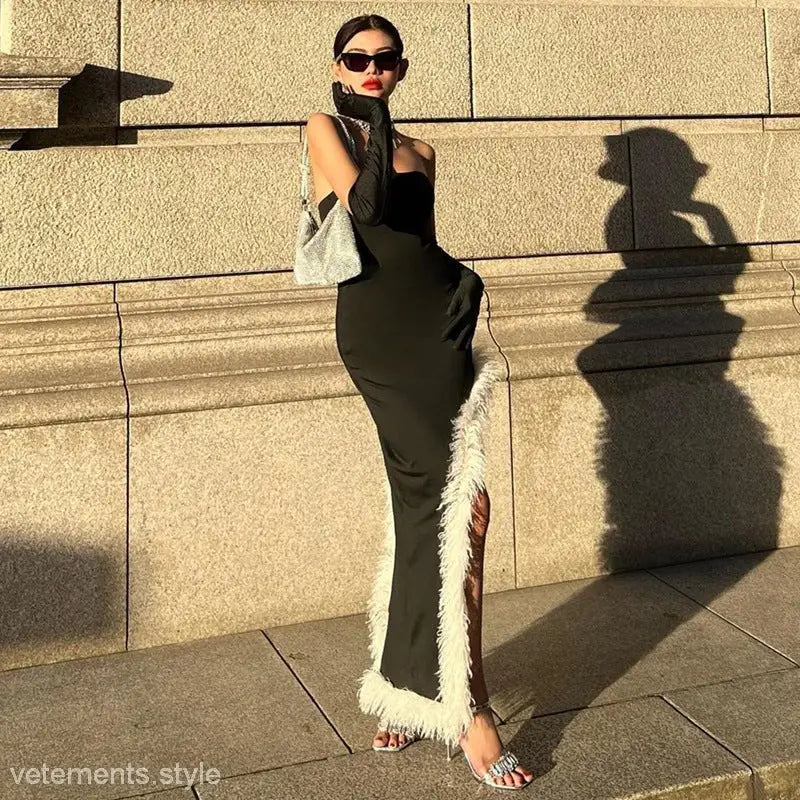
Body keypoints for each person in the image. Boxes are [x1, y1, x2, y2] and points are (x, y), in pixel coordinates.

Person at [304, 14, 534, 790]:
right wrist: (371, 119)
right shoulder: (328, 128)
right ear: (339, 66)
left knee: (441, 512)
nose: (371, 69)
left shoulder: (424, 153)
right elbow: (366, 213)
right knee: (457, 510)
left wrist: (465, 280)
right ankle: (468, 711)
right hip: (380, 342)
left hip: (437, 332)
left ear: (403, 66)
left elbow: (415, 240)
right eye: (357, 60)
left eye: (385, 61)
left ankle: (408, 692)